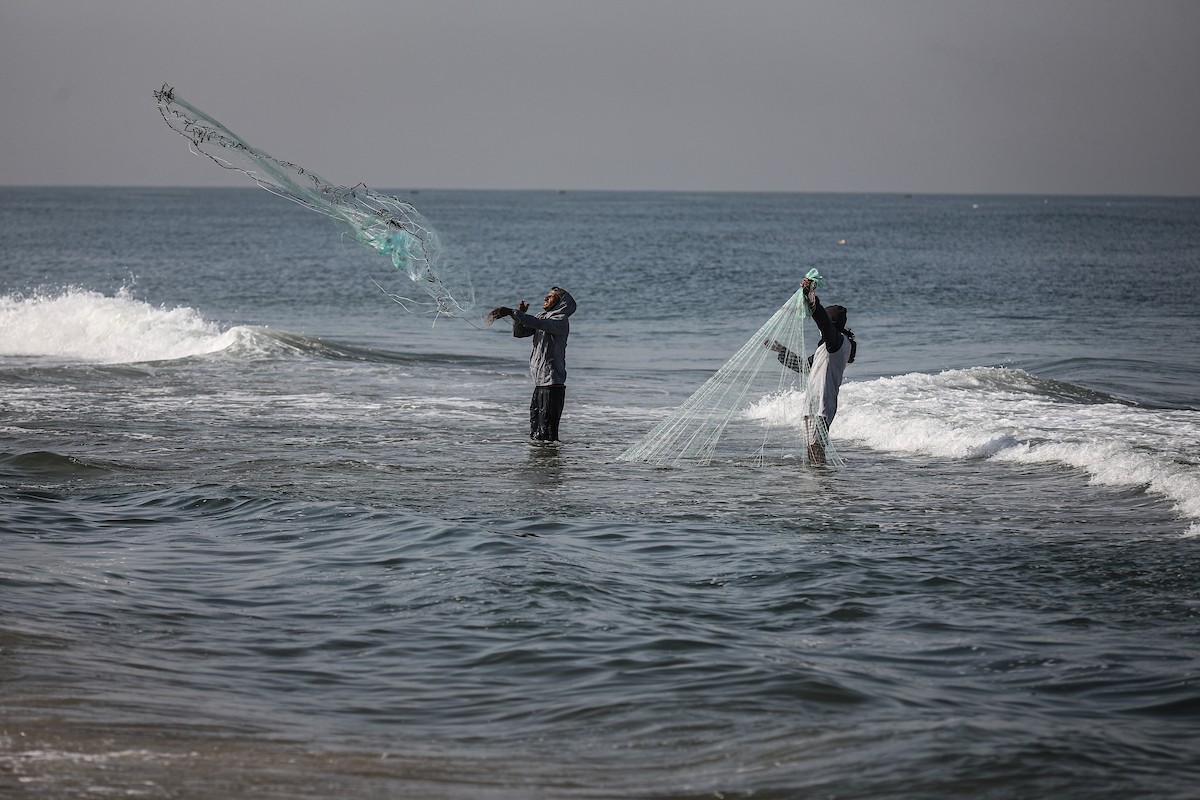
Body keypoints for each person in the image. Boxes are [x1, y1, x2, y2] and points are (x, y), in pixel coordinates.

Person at [766, 276, 856, 463]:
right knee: (814, 448)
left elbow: (822, 319)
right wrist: (781, 350)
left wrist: (810, 296)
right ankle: (818, 485)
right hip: (817, 404)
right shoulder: (831, 347)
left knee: (815, 448)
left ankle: (821, 487)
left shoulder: (836, 342)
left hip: (821, 405)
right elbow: (804, 366)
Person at [488, 286, 577, 441]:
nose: (545, 298)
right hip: (539, 383)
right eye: (546, 296)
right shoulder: (542, 317)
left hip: (552, 384)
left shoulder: (560, 320)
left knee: (548, 433)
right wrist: (517, 317)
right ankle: (538, 463)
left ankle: (552, 464)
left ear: (561, 302)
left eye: (550, 296)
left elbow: (539, 324)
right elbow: (519, 333)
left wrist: (514, 313)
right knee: (536, 431)